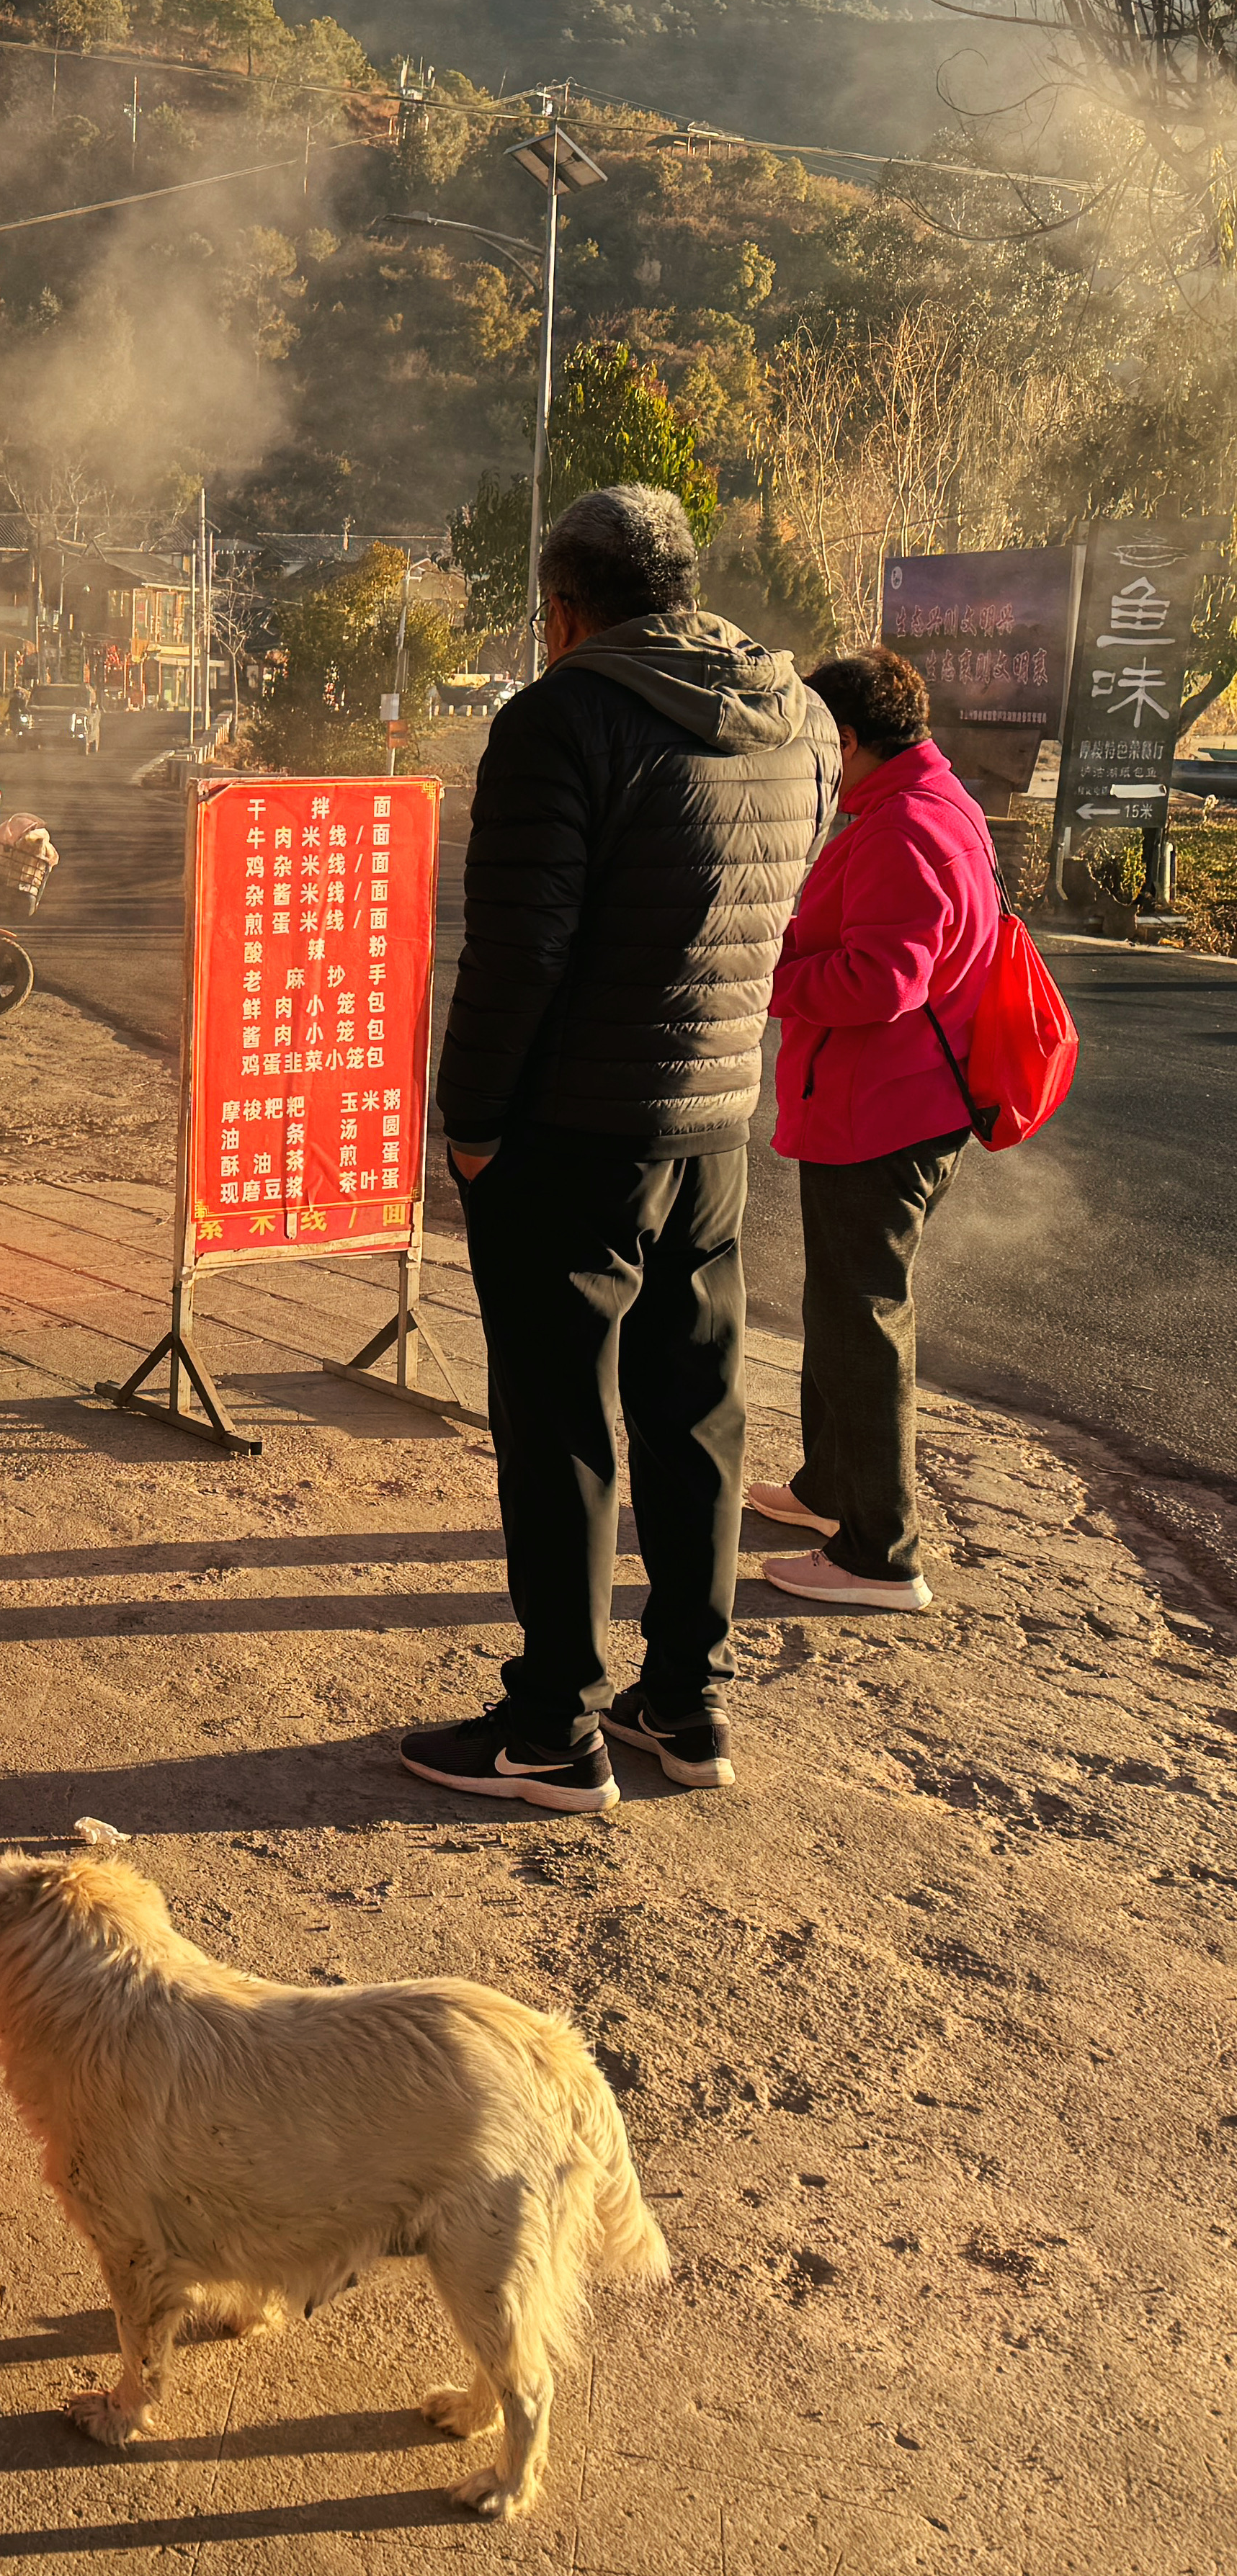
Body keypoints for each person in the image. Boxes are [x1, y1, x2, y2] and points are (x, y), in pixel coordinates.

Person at [409, 486, 834, 1810]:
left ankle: (550, 1723)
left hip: (570, 1137)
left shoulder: (558, 719)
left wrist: (467, 1125)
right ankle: (685, 1704)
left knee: (557, 1426)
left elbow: (515, 957)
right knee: (694, 1410)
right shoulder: (799, 719)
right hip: (713, 1127)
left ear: (560, 605)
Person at [751, 648, 1002, 1614]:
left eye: (817, 742)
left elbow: (881, 982)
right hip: (889, 1104)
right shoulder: (928, 801)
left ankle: (879, 1553)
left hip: (881, 1114)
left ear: (846, 739)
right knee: (839, 1306)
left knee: (863, 1320)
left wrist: (761, 979)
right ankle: (829, 1492)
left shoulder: (901, 826)